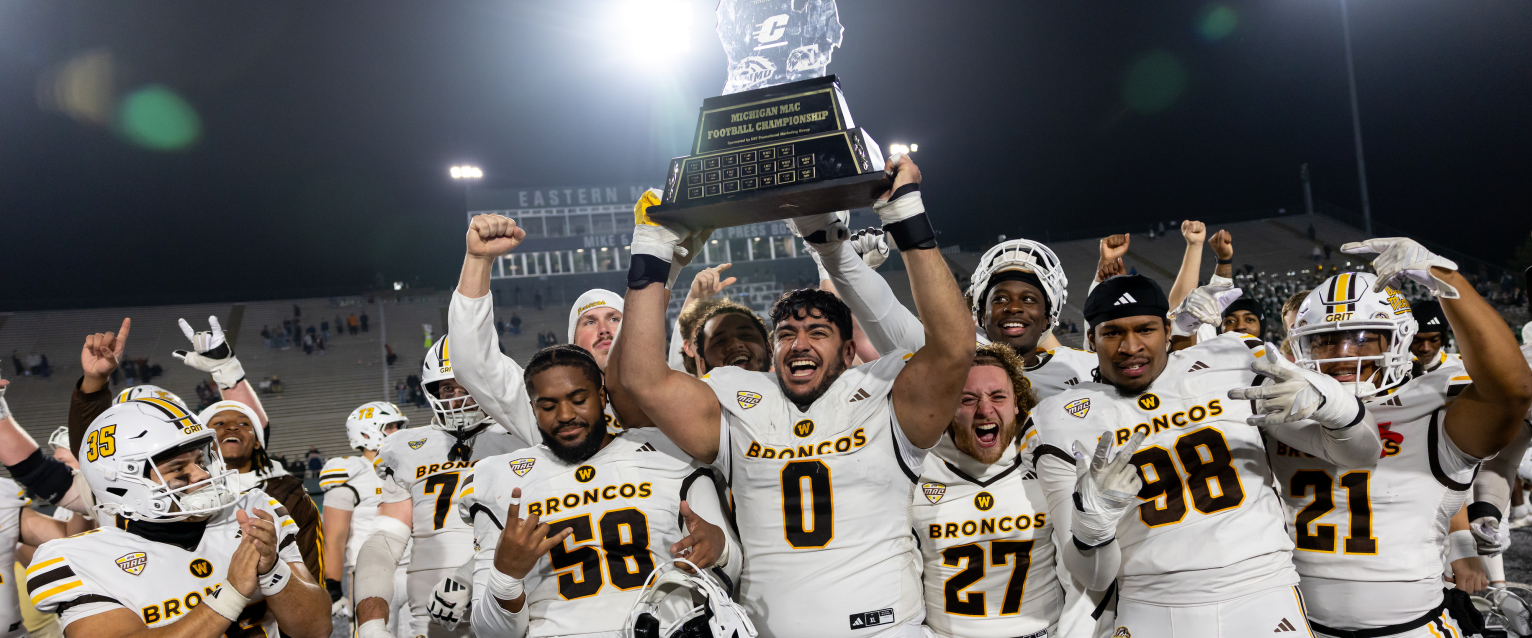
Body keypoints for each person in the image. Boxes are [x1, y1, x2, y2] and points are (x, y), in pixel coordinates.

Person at [620, 155, 976, 637]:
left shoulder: (881, 392)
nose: (800, 344)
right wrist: (654, 250)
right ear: (773, 349)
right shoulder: (742, 397)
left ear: (849, 350)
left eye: (817, 332)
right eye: (786, 333)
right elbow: (642, 379)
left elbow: (954, 347)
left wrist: (906, 216)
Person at [1030, 274, 1382, 637]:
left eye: (1145, 329)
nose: (1129, 346)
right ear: (1091, 339)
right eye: (1112, 333)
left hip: (1261, 592)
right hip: (1151, 603)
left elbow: (1362, 455)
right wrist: (1093, 526)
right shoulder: (1062, 418)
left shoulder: (1231, 359)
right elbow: (1094, 577)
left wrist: (1332, 405)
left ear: (1168, 331)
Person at [1271, 240, 1532, 637]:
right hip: (1302, 624)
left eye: (1362, 337)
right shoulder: (1279, 408)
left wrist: (1444, 278)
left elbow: (1512, 390)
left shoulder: (1431, 408)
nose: (1342, 355)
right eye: (1325, 339)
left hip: (1410, 626)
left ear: (1396, 340)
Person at [462, 345, 740, 636]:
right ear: (533, 410)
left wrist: (719, 548)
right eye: (548, 406)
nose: (565, 415)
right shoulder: (501, 479)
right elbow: (490, 633)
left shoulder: (669, 451)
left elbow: (730, 576)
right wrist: (505, 578)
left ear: (602, 396)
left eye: (579, 399)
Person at [31, 399, 332, 638]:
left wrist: (272, 572)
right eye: (178, 469)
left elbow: (315, 630)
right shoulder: (81, 558)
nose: (201, 475)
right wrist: (231, 592)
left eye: (200, 461)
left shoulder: (253, 510)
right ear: (123, 483)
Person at [350, 335, 535, 638]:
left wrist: (470, 575)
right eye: (448, 387)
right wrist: (370, 623)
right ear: (433, 390)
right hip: (429, 620)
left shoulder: (524, 438)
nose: (458, 397)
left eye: (467, 385)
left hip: (511, 602)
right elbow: (384, 541)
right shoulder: (405, 446)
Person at [913, 344, 1060, 637]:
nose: (984, 410)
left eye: (998, 396)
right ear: (946, 406)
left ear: (1016, 402)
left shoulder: (1049, 463)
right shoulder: (914, 471)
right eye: (967, 399)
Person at [319, 402, 411, 637]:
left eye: (399, 426)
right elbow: (334, 538)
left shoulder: (411, 468)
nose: (397, 432)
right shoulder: (353, 472)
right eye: (390, 426)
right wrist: (333, 588)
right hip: (371, 572)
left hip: (414, 569)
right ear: (366, 432)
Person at [1409, 299, 1457, 376]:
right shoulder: (1395, 370)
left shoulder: (1461, 366)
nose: (1425, 348)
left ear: (1443, 339)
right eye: (1416, 340)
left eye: (1434, 340)